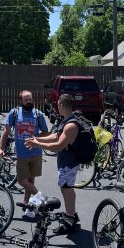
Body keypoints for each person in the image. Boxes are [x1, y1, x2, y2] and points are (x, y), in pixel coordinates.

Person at [26, 94, 81, 231]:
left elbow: (58, 146)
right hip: (66, 163)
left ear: (62, 105)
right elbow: (55, 136)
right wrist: (38, 139)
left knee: (67, 190)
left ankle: (69, 221)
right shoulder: (67, 121)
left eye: (58, 105)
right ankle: (72, 215)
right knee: (66, 189)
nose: (57, 107)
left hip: (69, 163)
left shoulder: (71, 125)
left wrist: (38, 144)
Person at [0, 91, 49, 219]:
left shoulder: (38, 114)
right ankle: (40, 198)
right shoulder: (15, 113)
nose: (29, 102)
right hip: (22, 154)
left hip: (36, 153)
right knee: (22, 180)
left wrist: (36, 139)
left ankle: (27, 205)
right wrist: (1, 148)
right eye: (26, 100)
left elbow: (45, 132)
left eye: (30, 99)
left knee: (30, 180)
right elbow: (6, 131)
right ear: (21, 101)